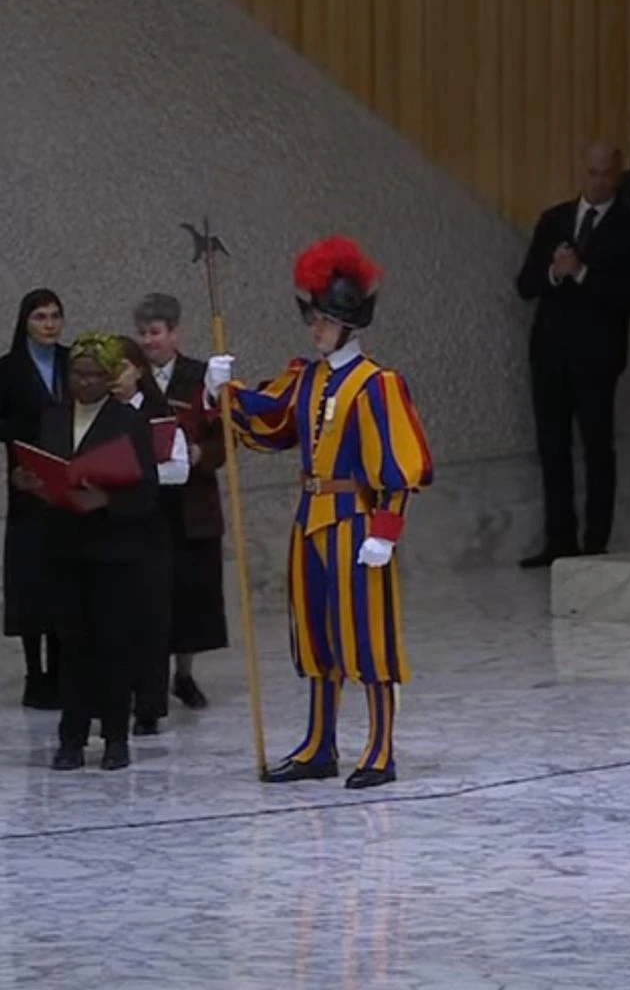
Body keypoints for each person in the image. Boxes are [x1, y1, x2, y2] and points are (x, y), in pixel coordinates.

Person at [205, 235, 433, 790]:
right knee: (315, 636)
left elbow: (400, 464)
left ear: (350, 323)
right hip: (310, 520)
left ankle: (380, 748)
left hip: (355, 521)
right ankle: (318, 744)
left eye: (325, 320)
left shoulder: (377, 384)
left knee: (368, 636)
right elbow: (272, 420)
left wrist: (386, 530)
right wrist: (223, 392)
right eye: (314, 318)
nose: (315, 328)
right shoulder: (306, 378)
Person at [14, 334, 159, 771]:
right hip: (64, 546)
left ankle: (115, 737)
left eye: (94, 375)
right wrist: (27, 482)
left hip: (112, 550)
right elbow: (42, 465)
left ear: (109, 377)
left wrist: (108, 500)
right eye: (78, 374)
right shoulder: (54, 417)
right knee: (72, 645)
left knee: (113, 644)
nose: (85, 382)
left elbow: (147, 492)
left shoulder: (128, 422)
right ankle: (71, 739)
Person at [515, 142, 630, 567]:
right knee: (552, 448)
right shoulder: (555, 220)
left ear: (618, 176)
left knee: (597, 448)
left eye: (607, 173)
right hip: (550, 352)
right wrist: (555, 272)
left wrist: (583, 273)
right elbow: (526, 284)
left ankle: (595, 541)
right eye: (592, 172)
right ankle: (559, 538)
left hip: (598, 354)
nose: (598, 181)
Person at [135, 292, 226, 710]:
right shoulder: (132, 377)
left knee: (191, 592)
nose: (148, 341)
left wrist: (201, 454)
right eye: (142, 333)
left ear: (174, 333)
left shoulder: (201, 377)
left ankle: (184, 675)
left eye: (155, 332)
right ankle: (147, 675)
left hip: (192, 501)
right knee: (150, 594)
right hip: (149, 502)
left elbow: (225, 436)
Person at [111, 335, 190, 735]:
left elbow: (179, 469)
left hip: (152, 527)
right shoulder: (100, 415)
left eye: (121, 368)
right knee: (113, 619)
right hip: (109, 527)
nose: (114, 377)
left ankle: (148, 706)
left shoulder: (159, 414)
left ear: (139, 370)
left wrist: (132, 473)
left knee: (151, 619)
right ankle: (112, 700)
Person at [0, 289, 69, 708]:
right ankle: (34, 673)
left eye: (55, 316)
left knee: (62, 579)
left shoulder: (71, 362)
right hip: (27, 486)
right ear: (25, 322)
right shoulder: (8, 369)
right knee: (29, 581)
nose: (49, 324)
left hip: (65, 485)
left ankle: (60, 671)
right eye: (40, 317)